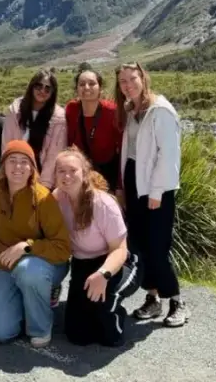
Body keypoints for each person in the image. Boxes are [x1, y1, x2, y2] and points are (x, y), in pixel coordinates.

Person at [116, 62, 189, 327]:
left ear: (143, 77)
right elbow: (129, 151)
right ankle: (153, 298)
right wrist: (123, 187)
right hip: (134, 182)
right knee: (141, 245)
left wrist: (157, 190)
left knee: (158, 248)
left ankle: (178, 301)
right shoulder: (131, 109)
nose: (128, 85)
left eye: (132, 78)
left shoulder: (161, 110)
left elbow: (169, 155)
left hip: (157, 188)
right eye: (122, 81)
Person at [0, 140, 71, 348]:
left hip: (45, 264)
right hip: (8, 266)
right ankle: (29, 300)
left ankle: (40, 327)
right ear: (3, 165)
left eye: (25, 162)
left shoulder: (43, 198)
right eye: (12, 161)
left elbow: (63, 248)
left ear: (32, 168)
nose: (18, 167)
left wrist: (26, 246)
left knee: (29, 272)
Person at [53, 148, 141, 347]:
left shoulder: (103, 203)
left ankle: (115, 311)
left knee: (108, 335)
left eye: (72, 170)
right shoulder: (58, 198)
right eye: (61, 171)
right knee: (78, 336)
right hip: (83, 262)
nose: (66, 176)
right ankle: (96, 308)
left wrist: (103, 275)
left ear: (84, 172)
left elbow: (119, 249)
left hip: (118, 260)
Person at [2, 70, 67, 189]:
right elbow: (7, 145)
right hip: (15, 172)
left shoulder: (58, 118)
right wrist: (7, 175)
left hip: (41, 176)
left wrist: (43, 186)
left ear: (53, 92)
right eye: (38, 86)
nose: (42, 91)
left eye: (48, 88)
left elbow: (54, 155)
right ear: (31, 86)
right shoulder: (15, 111)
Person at [65, 63, 121, 193]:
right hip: (79, 173)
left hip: (107, 174)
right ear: (76, 89)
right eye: (82, 84)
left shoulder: (112, 111)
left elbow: (122, 148)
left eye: (92, 83)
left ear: (100, 88)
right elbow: (68, 141)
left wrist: (119, 186)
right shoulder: (72, 109)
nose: (86, 87)